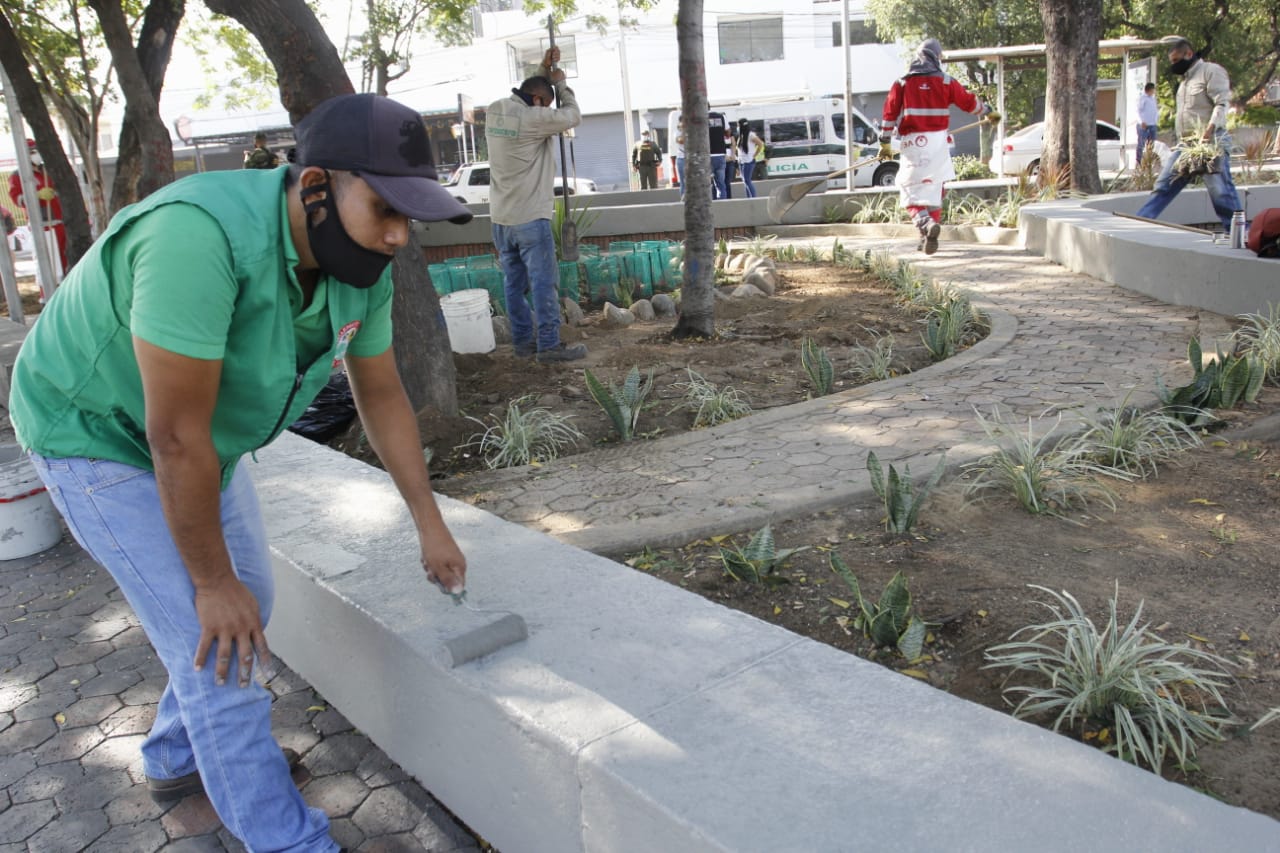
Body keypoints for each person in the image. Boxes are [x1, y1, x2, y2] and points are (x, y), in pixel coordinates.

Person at [8, 93, 474, 853]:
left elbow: (382, 395)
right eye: (385, 209)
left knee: (245, 601)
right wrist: (209, 582)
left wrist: (430, 524)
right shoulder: (198, 236)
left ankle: (176, 754)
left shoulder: (360, 263)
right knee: (215, 642)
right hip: (92, 429)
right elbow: (176, 437)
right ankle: (289, 840)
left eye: (410, 217)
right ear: (316, 184)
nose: (397, 235)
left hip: (194, 437)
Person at [485, 46, 586, 363]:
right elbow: (573, 116)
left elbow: (533, 92)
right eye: (545, 103)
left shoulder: (495, 109)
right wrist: (561, 85)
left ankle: (523, 345)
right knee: (543, 284)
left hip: (501, 220)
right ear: (540, 102)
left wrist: (544, 70)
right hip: (530, 218)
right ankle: (549, 346)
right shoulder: (533, 118)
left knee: (514, 287)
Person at [879, 38, 997, 254]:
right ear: (936, 57)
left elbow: (889, 115)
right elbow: (968, 102)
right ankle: (926, 238)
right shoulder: (945, 81)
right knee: (933, 189)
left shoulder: (902, 83)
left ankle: (925, 224)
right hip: (938, 143)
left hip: (913, 142)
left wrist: (885, 142)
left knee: (908, 187)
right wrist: (988, 111)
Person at [1136, 37, 1241, 232]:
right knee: (1164, 185)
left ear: (1189, 54)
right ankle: (1139, 223)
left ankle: (1238, 232)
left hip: (1210, 143)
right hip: (1185, 145)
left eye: (1176, 60)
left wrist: (1209, 130)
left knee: (1220, 193)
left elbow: (1221, 103)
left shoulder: (1211, 71)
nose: (1174, 65)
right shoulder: (1184, 83)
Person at [8, 138, 68, 277]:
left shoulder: (48, 171)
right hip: (43, 226)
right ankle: (47, 295)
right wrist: (36, 195)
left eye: (37, 151)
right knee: (49, 266)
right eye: (33, 152)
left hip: (61, 223)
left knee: (65, 262)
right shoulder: (18, 176)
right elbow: (17, 199)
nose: (37, 155)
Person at [1136, 82, 1159, 166]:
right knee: (1141, 144)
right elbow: (1138, 111)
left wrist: (1156, 121)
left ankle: (1149, 162)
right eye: (1153, 89)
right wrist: (1141, 121)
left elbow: (1155, 111)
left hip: (1152, 124)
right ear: (1149, 89)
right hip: (1144, 125)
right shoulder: (1143, 98)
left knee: (1152, 144)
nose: (1154, 91)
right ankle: (1139, 162)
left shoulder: (1153, 99)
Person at [741, 124, 764, 199]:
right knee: (745, 181)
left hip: (749, 160)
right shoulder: (741, 135)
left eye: (738, 125)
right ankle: (749, 198)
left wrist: (755, 155)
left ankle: (753, 198)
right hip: (742, 161)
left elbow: (760, 144)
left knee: (747, 180)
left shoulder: (751, 135)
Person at [723, 128, 737, 199]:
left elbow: (733, 145)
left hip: (730, 160)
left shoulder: (731, 135)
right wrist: (725, 156)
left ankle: (728, 198)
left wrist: (733, 155)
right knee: (721, 181)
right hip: (722, 159)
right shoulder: (718, 134)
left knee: (728, 181)